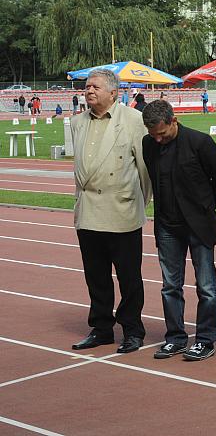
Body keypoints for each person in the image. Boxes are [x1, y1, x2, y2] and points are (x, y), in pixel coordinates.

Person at [70, 68, 152, 354]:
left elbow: (145, 169)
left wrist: (136, 201)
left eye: (95, 87)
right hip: (89, 212)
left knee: (129, 277)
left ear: (113, 93)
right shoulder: (77, 122)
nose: (89, 90)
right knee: (96, 276)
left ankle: (132, 330)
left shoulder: (133, 120)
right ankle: (101, 328)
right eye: (87, 87)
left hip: (122, 211)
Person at [141, 100, 216, 361]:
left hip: (198, 225)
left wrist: (205, 207)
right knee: (170, 286)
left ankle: (205, 340)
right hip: (167, 225)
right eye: (153, 135)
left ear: (174, 121)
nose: (158, 139)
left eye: (162, 134)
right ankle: (175, 338)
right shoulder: (148, 144)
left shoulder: (200, 143)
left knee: (206, 286)